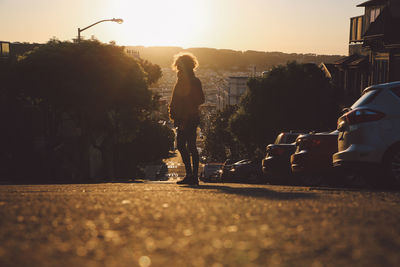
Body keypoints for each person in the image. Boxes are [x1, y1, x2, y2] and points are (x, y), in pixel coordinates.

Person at [169, 53, 205, 185]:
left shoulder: (193, 81)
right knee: (188, 146)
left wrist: (184, 112)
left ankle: (192, 175)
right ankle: (192, 175)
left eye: (179, 66)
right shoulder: (183, 80)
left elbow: (200, 99)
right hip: (184, 117)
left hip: (188, 117)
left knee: (187, 145)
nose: (178, 68)